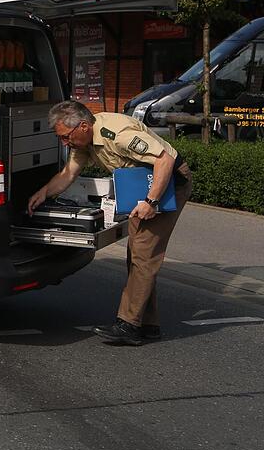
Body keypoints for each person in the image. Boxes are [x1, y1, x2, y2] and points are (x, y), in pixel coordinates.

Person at [28, 100, 192, 346]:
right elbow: (69, 173)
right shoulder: (83, 140)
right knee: (138, 255)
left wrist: (151, 201)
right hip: (143, 185)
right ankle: (148, 325)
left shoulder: (117, 134)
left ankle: (129, 325)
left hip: (168, 184)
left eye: (65, 136)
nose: (64, 143)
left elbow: (165, 160)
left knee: (143, 255)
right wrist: (43, 193)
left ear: (83, 126)